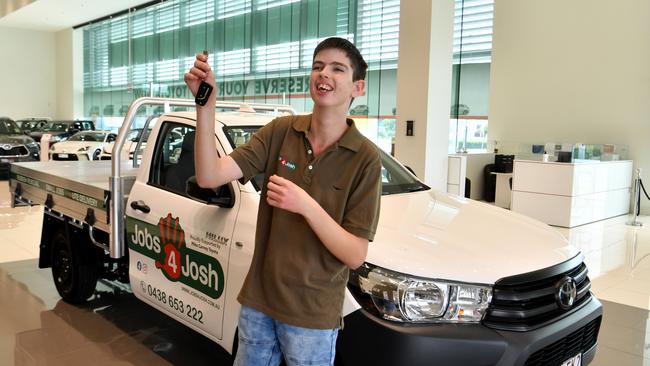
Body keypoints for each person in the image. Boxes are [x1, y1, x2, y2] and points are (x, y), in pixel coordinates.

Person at [184, 37, 381, 366]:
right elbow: (208, 176)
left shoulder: (365, 159)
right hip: (258, 303)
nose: (324, 75)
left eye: (337, 69)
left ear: (357, 88)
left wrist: (306, 205)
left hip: (312, 317)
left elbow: (355, 254)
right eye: (318, 66)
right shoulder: (281, 131)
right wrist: (206, 106)